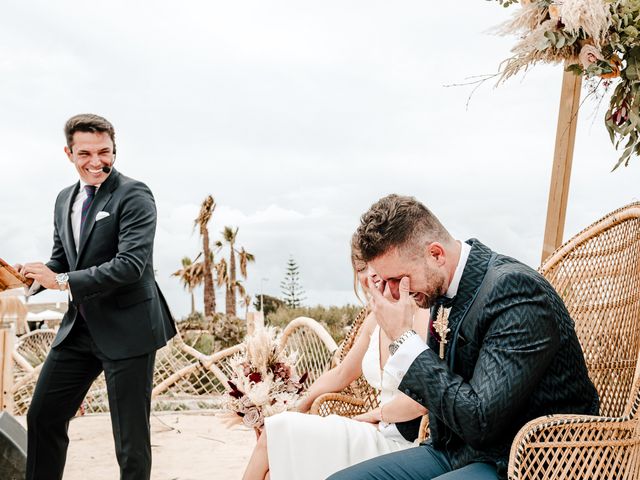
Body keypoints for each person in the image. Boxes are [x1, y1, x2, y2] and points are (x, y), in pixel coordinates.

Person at [328, 194, 599, 480]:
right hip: (455, 452)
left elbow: (480, 421)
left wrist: (403, 338)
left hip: (529, 461)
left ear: (436, 254)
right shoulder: (441, 290)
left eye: (398, 279)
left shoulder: (515, 292)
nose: (396, 293)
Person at [17, 113, 177, 480]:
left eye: (104, 152)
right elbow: (62, 259)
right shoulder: (63, 200)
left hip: (129, 328)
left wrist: (59, 280)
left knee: (130, 438)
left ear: (114, 150)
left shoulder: (134, 194)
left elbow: (130, 265)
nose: (96, 162)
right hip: (80, 329)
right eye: (85, 153)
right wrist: (26, 279)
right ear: (68, 153)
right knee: (43, 416)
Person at [242, 241, 430, 480]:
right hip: (372, 429)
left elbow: (422, 398)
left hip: (403, 441)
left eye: (373, 267)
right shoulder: (374, 318)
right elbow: (341, 374)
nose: (368, 277)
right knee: (274, 460)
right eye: (362, 270)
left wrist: (377, 414)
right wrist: (297, 406)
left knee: (274, 436)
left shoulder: (422, 312)